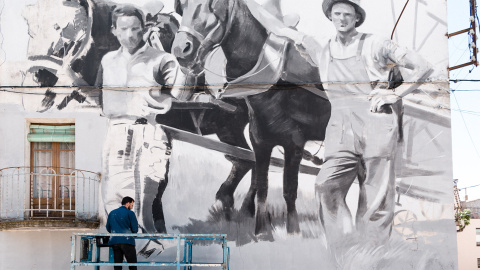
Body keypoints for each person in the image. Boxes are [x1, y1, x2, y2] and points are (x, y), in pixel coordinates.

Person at [244, 0, 432, 248]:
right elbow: (278, 28)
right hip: (339, 125)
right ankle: (345, 247)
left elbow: (424, 67)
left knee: (375, 195)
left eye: (348, 14)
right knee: (326, 185)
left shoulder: (376, 44)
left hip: (376, 120)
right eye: (337, 14)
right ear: (330, 18)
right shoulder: (321, 46)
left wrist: (395, 94)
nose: (342, 19)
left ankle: (371, 255)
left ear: (356, 18)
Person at [97, 4, 184, 242]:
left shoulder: (162, 60)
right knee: (112, 204)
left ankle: (151, 253)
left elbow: (181, 94)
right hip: (114, 131)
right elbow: (100, 97)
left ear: (144, 28)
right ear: (114, 30)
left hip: (145, 132)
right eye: (124, 29)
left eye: (135, 29)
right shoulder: (107, 61)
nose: (130, 35)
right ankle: (127, 256)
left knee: (139, 205)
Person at [106, 196, 139, 270]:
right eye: (132, 205)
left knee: (117, 265)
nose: (132, 207)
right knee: (132, 265)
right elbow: (135, 229)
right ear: (128, 203)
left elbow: (108, 227)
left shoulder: (112, 213)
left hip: (115, 241)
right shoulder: (130, 213)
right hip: (127, 241)